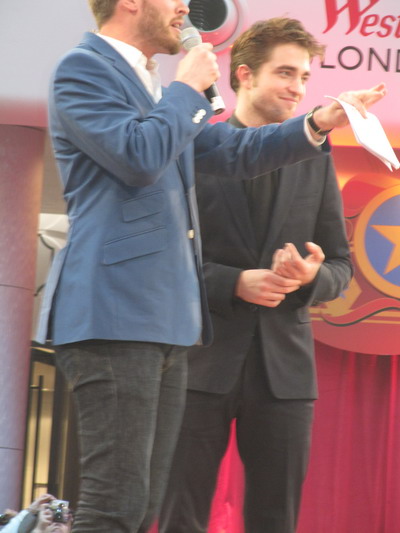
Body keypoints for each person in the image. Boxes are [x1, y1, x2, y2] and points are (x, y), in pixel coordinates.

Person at [35, 0, 386, 531]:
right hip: (115, 312)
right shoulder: (84, 69)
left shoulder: (154, 88)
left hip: (167, 325)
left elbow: (231, 151)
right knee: (115, 506)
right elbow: (137, 157)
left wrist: (318, 122)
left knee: (141, 508)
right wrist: (186, 88)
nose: (185, 8)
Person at [158, 17, 354, 533]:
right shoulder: (194, 148)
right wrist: (234, 283)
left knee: (275, 521)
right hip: (199, 364)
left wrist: (310, 277)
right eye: (285, 73)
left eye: (305, 77)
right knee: (180, 517)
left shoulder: (315, 159)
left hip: (284, 375)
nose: (298, 88)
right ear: (244, 74)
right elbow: (162, 261)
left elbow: (340, 266)